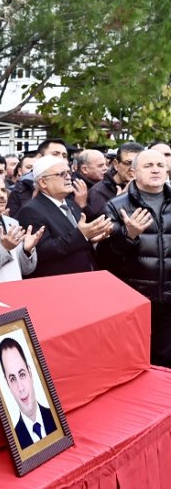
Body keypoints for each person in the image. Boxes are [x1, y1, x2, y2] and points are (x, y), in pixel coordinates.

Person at [99, 149, 171, 366]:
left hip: (170, 299)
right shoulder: (117, 206)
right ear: (134, 172)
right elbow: (104, 258)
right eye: (148, 166)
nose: (156, 170)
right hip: (135, 299)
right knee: (139, 362)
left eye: (160, 165)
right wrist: (128, 236)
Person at [16, 155, 113, 278]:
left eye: (68, 172)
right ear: (43, 182)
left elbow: (76, 240)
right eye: (61, 174)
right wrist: (82, 235)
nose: (68, 177)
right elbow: (43, 251)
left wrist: (91, 238)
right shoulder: (31, 210)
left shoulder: (72, 204)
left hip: (85, 278)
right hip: (58, 283)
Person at [0, 337, 57, 449]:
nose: (20, 388)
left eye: (22, 374)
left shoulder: (56, 420)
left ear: (30, 373)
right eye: (13, 379)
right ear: (7, 384)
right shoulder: (16, 442)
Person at [7, 139, 69, 217]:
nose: (61, 159)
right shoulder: (20, 190)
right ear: (39, 157)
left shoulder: (73, 187)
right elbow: (18, 223)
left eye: (64, 156)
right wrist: (33, 203)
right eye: (55, 154)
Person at [86, 142, 144, 221]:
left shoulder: (146, 187)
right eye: (128, 163)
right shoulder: (98, 192)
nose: (133, 168)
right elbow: (100, 226)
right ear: (116, 164)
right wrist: (118, 202)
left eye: (138, 164)